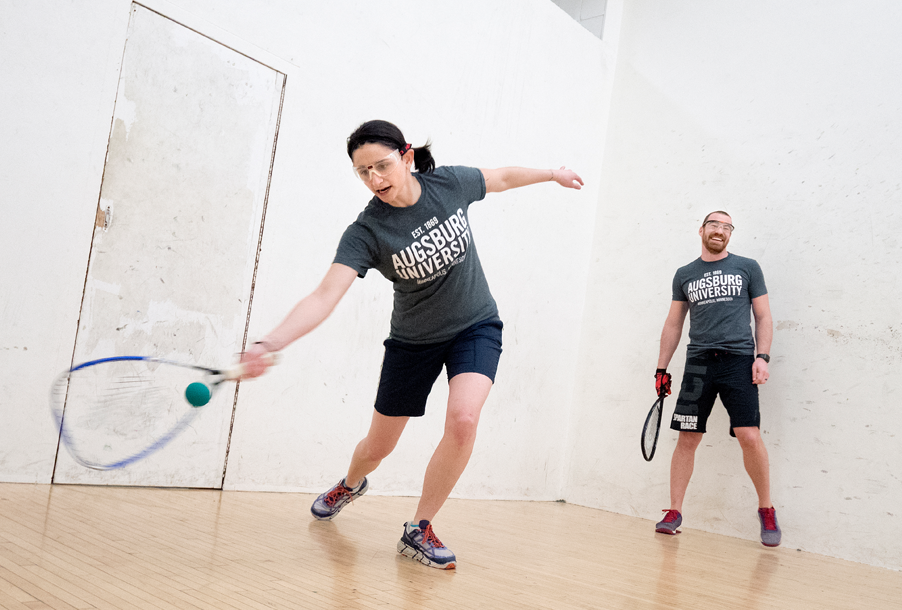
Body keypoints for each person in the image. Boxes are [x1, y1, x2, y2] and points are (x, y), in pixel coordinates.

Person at [240, 119, 583, 569]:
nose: (375, 180)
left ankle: (418, 528)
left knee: (463, 419)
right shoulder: (366, 232)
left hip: (475, 325)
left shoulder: (449, 183)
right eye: (363, 172)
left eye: (382, 166)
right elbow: (325, 295)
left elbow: (500, 178)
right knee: (376, 449)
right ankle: (351, 482)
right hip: (413, 344)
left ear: (405, 156)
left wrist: (551, 174)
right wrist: (269, 342)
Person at [653, 211, 781, 547]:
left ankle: (766, 509)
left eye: (727, 227)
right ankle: (674, 512)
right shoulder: (685, 274)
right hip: (698, 363)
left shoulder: (747, 267)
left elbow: (764, 315)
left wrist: (762, 357)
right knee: (687, 438)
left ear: (730, 234)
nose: (720, 231)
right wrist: (661, 368)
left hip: (738, 361)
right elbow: (673, 323)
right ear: (701, 230)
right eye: (714, 225)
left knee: (749, 436)